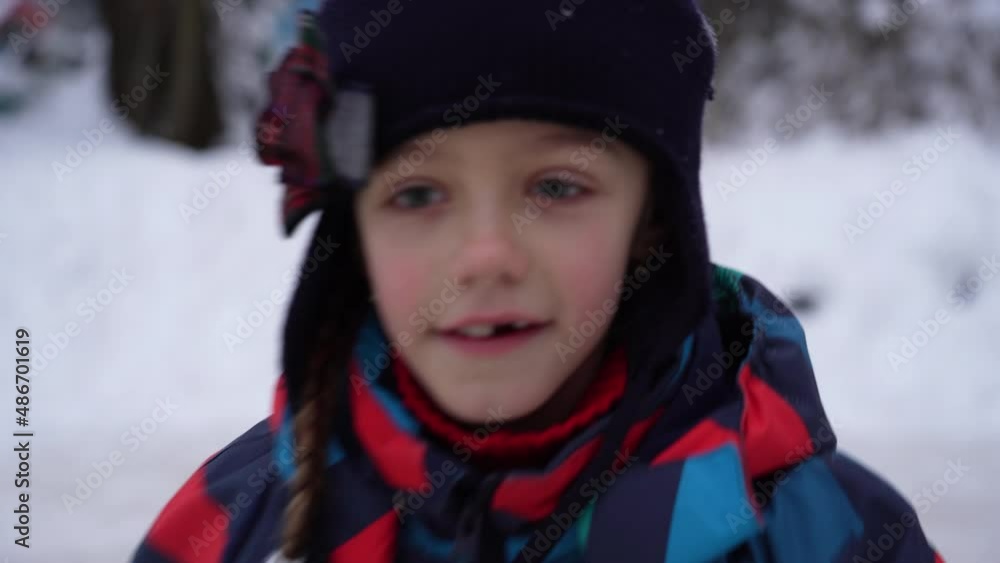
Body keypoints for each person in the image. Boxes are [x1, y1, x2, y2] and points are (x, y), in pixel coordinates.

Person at [131, 1, 946, 561]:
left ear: (652, 219)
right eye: (418, 193)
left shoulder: (829, 534)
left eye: (556, 187)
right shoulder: (235, 525)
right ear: (354, 227)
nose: (486, 254)